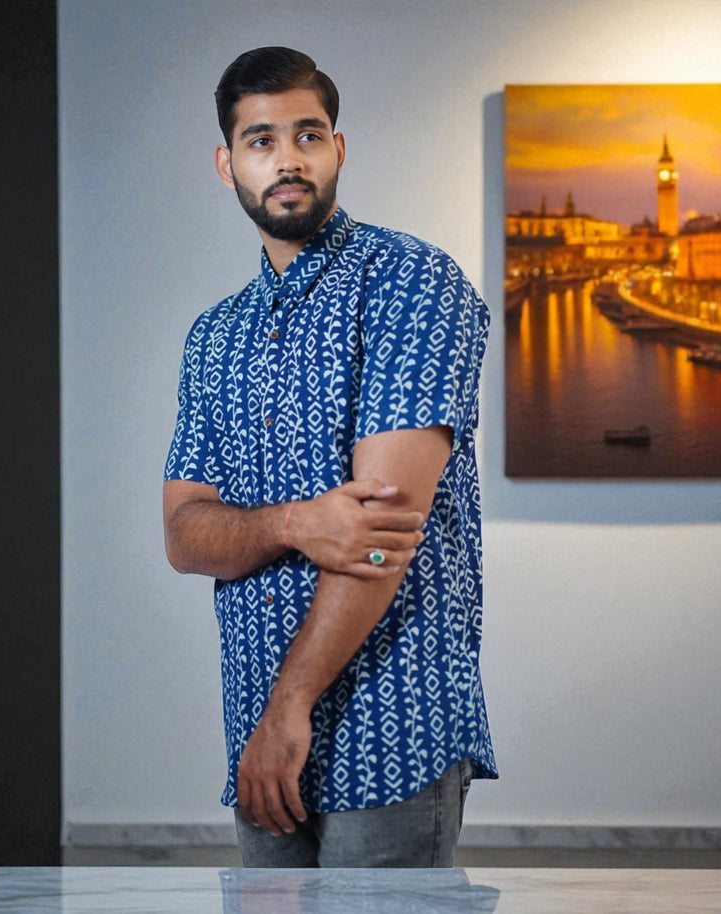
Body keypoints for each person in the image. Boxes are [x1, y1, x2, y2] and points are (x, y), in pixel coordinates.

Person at [163, 46, 497, 868]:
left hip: (396, 719)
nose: (287, 159)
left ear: (338, 149)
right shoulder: (215, 336)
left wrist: (290, 709)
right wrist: (300, 522)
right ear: (226, 163)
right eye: (261, 140)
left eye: (308, 135)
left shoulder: (414, 283)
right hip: (259, 740)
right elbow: (183, 537)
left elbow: (383, 529)